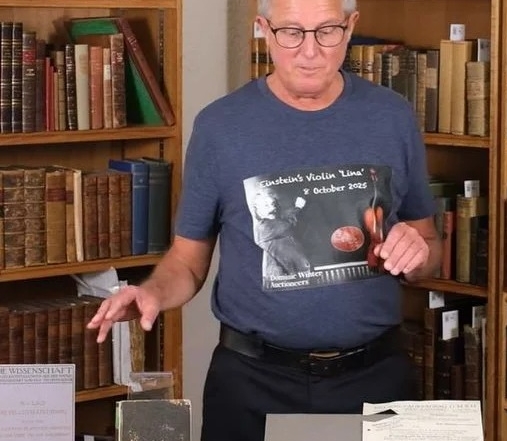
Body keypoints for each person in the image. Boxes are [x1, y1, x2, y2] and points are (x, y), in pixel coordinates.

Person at [86, 0, 442, 439]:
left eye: (327, 30)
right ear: (263, 29)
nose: (309, 50)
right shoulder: (220, 127)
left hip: (375, 378)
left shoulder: (392, 116)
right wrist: (152, 292)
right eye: (291, 32)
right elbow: (187, 261)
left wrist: (418, 254)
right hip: (252, 383)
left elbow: (429, 249)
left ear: (350, 28)